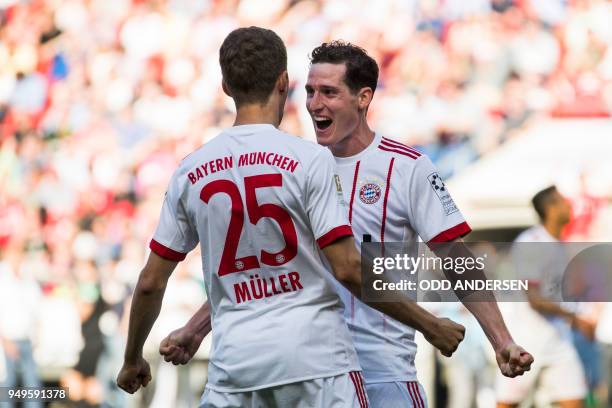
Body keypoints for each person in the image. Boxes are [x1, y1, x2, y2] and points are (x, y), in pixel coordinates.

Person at [160, 40, 534, 407]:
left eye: (328, 92)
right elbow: (267, 270)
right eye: (309, 91)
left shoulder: (406, 168)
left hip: (382, 370)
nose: (314, 104)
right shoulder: (292, 166)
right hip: (312, 373)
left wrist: (501, 340)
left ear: (363, 98)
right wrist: (196, 330)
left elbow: (456, 258)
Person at [496, 186, 587, 408]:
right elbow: (534, 298)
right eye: (563, 201)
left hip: (557, 340)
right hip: (527, 341)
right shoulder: (532, 242)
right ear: (551, 209)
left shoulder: (558, 244)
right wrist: (574, 318)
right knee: (508, 403)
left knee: (575, 401)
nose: (569, 205)